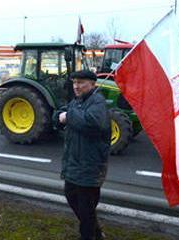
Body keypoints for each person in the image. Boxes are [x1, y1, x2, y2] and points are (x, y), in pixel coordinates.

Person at [54, 70, 111, 240]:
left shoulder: (98, 102)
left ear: (93, 84)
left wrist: (68, 116)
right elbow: (58, 116)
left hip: (89, 165)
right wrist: (59, 117)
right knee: (71, 197)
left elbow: (91, 123)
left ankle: (89, 236)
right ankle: (96, 233)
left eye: (81, 83)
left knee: (86, 208)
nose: (76, 86)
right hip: (74, 163)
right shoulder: (77, 101)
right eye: (74, 83)